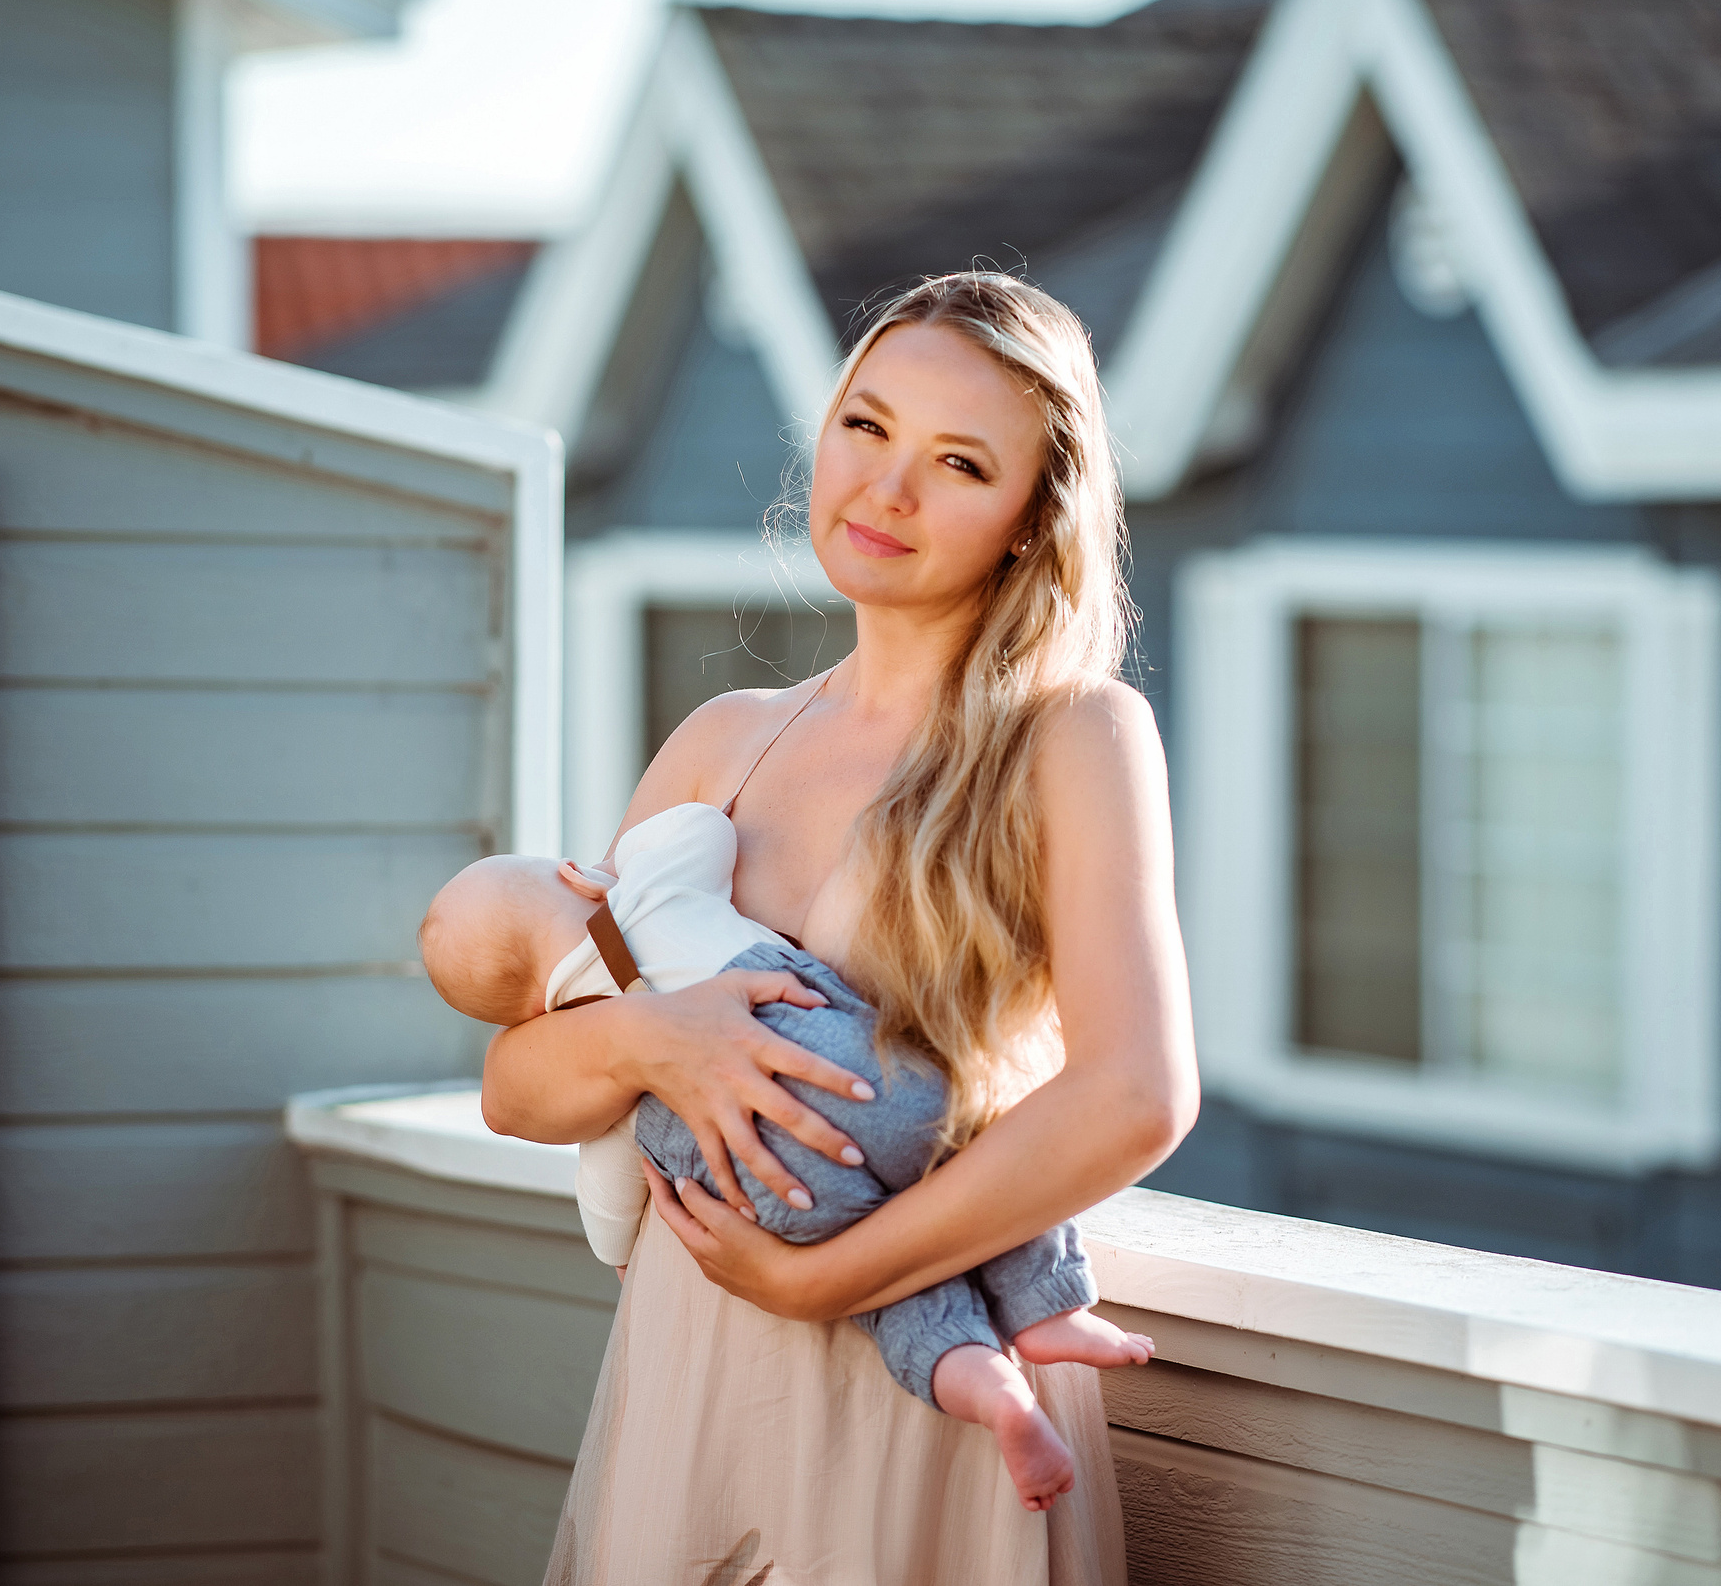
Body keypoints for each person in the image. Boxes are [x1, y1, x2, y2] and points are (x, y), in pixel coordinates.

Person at [480, 271, 1198, 1585]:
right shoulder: (724, 743)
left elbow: (1138, 1094)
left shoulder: (1072, 739)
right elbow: (518, 1086)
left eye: (959, 462)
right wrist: (660, 1039)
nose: (886, 490)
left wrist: (830, 1280)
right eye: (865, 426)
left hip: (923, 1385)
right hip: (689, 1368)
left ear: (1033, 522)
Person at [418, 798, 1154, 1510]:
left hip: (777, 1189)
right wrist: (615, 870)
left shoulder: (593, 1058)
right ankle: (1044, 1302)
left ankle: (994, 1393)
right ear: (573, 874)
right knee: (973, 1139)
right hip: (851, 1078)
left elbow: (610, 1194)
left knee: (900, 1299)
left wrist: (617, 1250)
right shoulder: (650, 892)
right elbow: (701, 828)